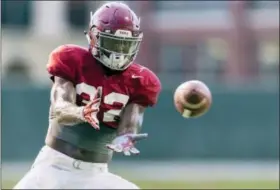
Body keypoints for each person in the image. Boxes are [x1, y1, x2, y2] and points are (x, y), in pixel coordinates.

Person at [14, 2, 161, 189]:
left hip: (96, 176)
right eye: (113, 43)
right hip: (53, 168)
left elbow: (130, 122)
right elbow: (60, 107)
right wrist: (81, 113)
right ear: (94, 37)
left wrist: (126, 137)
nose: (118, 52)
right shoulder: (71, 59)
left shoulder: (139, 79)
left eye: (125, 45)